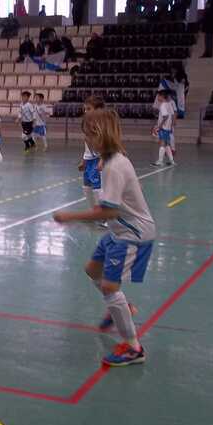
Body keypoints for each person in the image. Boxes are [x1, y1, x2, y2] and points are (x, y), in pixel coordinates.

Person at [53, 109, 155, 367]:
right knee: (92, 270)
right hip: (119, 231)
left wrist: (70, 217)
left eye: (88, 135)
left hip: (132, 233)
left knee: (110, 287)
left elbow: (108, 211)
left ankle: (133, 348)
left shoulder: (113, 167)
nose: (86, 140)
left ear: (99, 135)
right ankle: (123, 308)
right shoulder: (112, 160)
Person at [80, 95, 105, 213]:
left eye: (89, 109)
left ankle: (103, 213)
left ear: (98, 110)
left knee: (97, 187)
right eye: (85, 109)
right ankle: (93, 210)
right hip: (89, 161)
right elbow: (87, 148)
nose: (86, 111)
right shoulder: (87, 124)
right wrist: (83, 161)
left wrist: (102, 160)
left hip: (99, 160)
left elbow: (107, 145)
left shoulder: (103, 126)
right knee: (86, 186)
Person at [152, 90, 176, 167]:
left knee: (162, 143)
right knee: (167, 144)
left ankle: (160, 161)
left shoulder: (162, 105)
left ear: (162, 96)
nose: (157, 98)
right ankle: (172, 161)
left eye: (158, 96)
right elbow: (172, 115)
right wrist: (171, 126)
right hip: (168, 128)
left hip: (164, 128)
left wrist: (159, 126)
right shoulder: (169, 104)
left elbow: (166, 116)